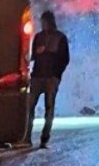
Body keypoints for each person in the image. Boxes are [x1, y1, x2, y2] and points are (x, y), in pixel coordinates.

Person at [24, 10, 70, 148]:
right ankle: (26, 136)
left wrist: (56, 75)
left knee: (48, 109)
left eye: (44, 22)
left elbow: (65, 59)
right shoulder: (38, 37)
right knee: (30, 107)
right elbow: (33, 56)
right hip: (38, 76)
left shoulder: (60, 38)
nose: (42, 24)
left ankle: (44, 138)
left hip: (50, 78)